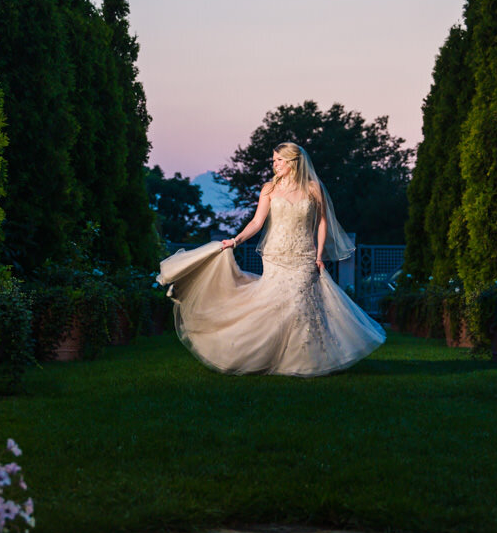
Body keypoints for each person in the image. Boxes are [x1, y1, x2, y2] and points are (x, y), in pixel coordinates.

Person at [156, 142, 385, 376]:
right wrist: (235, 240)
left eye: (279, 161)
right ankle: (259, 355)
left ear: (293, 162)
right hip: (275, 255)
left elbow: (323, 222)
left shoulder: (314, 187)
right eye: (273, 161)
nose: (274, 165)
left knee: (300, 306)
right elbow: (257, 222)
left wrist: (319, 256)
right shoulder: (269, 189)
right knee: (275, 306)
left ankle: (303, 361)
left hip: (304, 255)